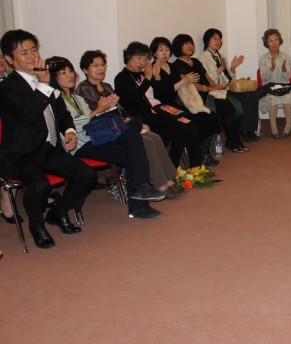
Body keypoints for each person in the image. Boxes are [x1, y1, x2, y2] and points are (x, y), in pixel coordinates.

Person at [0, 30, 95, 249]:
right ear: (9, 59)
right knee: (39, 185)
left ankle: (58, 212)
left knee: (86, 175)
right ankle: (37, 226)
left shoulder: (46, 80)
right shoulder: (7, 88)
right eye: (24, 52)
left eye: (34, 50)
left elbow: (61, 112)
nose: (32, 56)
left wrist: (69, 131)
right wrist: (43, 85)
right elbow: (29, 114)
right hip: (22, 154)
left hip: (48, 149)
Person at [47, 56, 167, 220]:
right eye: (63, 72)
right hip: (79, 145)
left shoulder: (77, 98)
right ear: (53, 77)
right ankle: (139, 203)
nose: (69, 75)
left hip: (96, 136)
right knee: (132, 149)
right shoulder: (55, 100)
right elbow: (70, 125)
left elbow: (92, 120)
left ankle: (141, 189)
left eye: (70, 71)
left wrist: (104, 110)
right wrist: (98, 110)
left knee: (133, 140)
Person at [76, 49, 192, 186]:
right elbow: (95, 115)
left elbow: (121, 111)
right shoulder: (84, 88)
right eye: (95, 65)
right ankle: (158, 183)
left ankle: (169, 177)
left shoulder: (107, 87)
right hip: (105, 131)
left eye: (102, 65)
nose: (101, 68)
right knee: (147, 142)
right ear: (85, 69)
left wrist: (135, 123)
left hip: (119, 126)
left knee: (155, 137)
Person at [113, 41, 205, 167]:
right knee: (182, 129)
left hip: (160, 110)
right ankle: (172, 166)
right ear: (128, 56)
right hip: (143, 116)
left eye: (145, 59)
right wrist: (148, 78)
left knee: (190, 125)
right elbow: (135, 97)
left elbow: (160, 94)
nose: (142, 62)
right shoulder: (121, 78)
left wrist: (156, 77)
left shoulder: (142, 75)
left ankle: (196, 166)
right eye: (139, 58)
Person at [149, 37, 221, 165]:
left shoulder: (171, 66)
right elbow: (161, 93)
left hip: (178, 104)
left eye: (167, 50)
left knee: (210, 116)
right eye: (160, 50)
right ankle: (194, 161)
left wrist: (186, 81)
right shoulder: (151, 69)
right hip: (163, 108)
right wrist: (184, 81)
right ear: (154, 53)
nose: (164, 53)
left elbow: (183, 87)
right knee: (193, 124)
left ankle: (202, 155)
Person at [171, 34, 248, 153]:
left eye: (191, 43)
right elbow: (190, 84)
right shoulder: (177, 65)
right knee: (227, 108)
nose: (190, 46)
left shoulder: (195, 61)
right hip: (196, 97)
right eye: (186, 44)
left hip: (209, 92)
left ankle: (235, 140)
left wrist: (215, 86)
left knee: (234, 105)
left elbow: (207, 77)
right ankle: (231, 141)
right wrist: (208, 88)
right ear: (178, 46)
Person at [198, 28, 260, 142]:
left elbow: (229, 77)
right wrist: (221, 68)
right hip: (217, 91)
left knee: (253, 95)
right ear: (207, 40)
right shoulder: (202, 58)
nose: (218, 41)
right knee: (245, 97)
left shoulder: (221, 56)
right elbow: (209, 79)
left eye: (219, 39)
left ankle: (251, 129)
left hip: (228, 87)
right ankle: (243, 130)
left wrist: (232, 67)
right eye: (215, 39)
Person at [257, 29, 291, 138]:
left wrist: (284, 70)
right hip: (269, 88)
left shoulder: (286, 57)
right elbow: (263, 77)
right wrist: (271, 68)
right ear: (267, 43)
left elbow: (288, 77)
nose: (274, 43)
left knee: (288, 99)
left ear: (280, 41)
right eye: (271, 41)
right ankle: (273, 129)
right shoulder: (263, 58)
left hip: (284, 87)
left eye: (276, 40)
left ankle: (288, 127)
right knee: (272, 100)